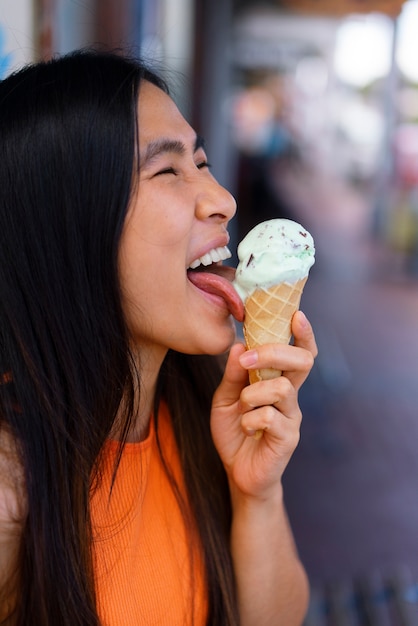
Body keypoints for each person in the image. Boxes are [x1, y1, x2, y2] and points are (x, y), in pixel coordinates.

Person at [0, 49, 317, 626]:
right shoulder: (13, 484)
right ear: (68, 224)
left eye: (201, 161)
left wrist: (257, 491)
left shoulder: (203, 410)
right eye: (167, 171)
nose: (223, 198)